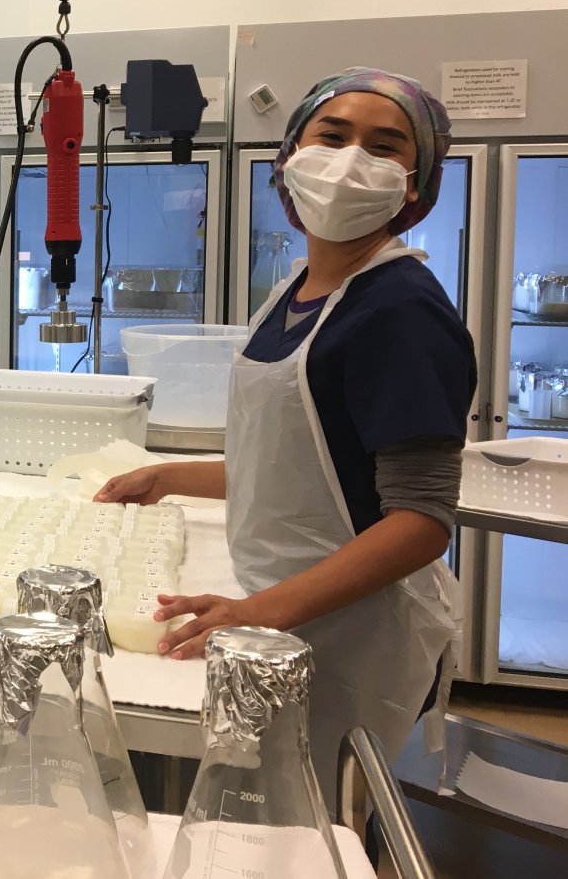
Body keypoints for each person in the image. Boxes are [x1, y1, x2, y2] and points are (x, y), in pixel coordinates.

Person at [97, 67, 472, 797]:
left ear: (414, 191)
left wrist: (253, 613)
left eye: (384, 146)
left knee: (315, 827)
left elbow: (421, 522)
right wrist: (167, 474)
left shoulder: (401, 310)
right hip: (289, 609)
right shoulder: (295, 293)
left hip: (354, 630)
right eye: (332, 135)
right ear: (289, 161)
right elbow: (298, 463)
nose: (348, 159)